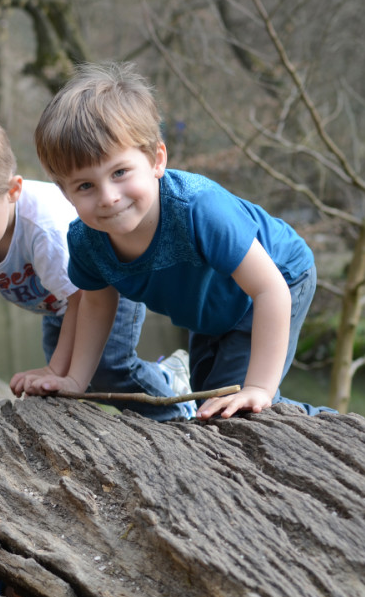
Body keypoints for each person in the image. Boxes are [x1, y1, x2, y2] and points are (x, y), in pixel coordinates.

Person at [28, 62, 336, 420]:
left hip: (276, 280)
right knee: (208, 403)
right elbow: (96, 307)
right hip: (211, 308)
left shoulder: (199, 210)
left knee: (239, 411)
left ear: (157, 160)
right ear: (65, 193)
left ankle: (330, 425)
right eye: (85, 186)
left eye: (120, 172)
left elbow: (270, 290)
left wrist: (259, 389)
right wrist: (76, 380)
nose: (108, 197)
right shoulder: (86, 242)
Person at [0, 99, 194, 421]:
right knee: (57, 388)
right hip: (62, 303)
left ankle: (176, 400)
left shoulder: (44, 230)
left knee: (109, 368)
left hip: (107, 284)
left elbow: (85, 298)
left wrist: (57, 368)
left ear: (12, 190)